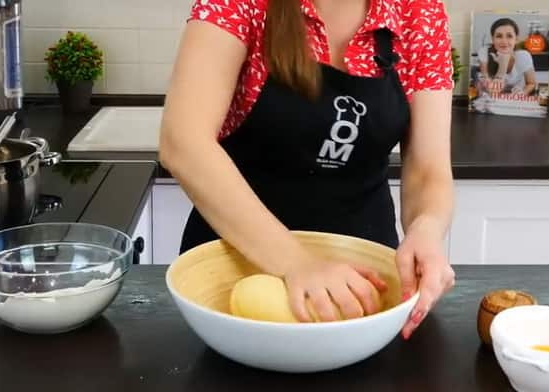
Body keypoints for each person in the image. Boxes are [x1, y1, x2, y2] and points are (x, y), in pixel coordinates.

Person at [159, 0, 455, 340]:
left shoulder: (419, 11)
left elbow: (428, 170)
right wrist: (297, 263)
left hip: (363, 277)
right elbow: (183, 142)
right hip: (232, 268)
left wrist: (427, 228)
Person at [477, 18, 536, 96]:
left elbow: (531, 83)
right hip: (492, 101)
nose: (504, 41)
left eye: (509, 36)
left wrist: (522, 93)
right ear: (493, 39)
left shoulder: (523, 56)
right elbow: (493, 92)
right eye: (499, 36)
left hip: (515, 102)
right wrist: (503, 66)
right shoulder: (484, 53)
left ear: (516, 39)